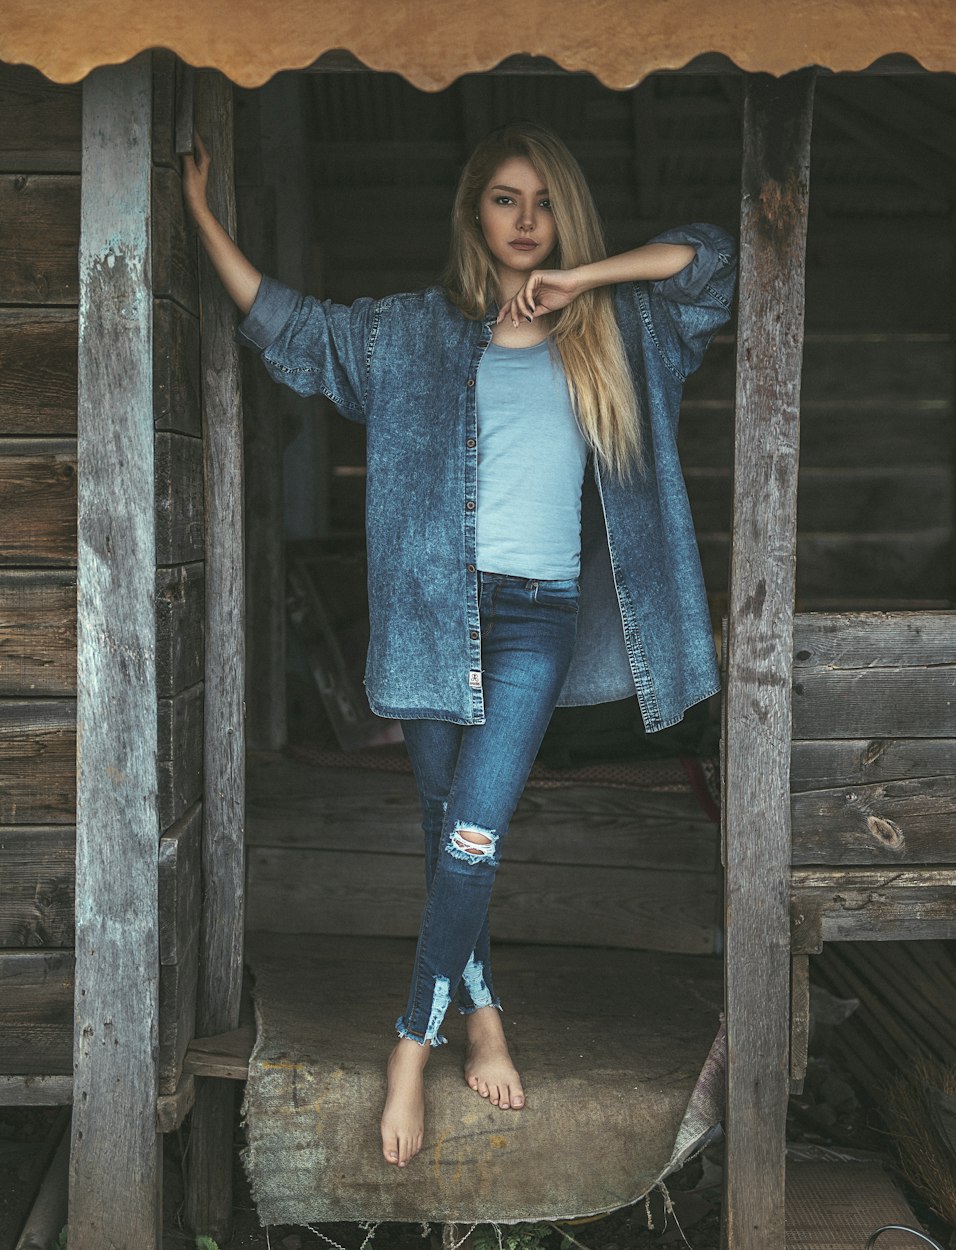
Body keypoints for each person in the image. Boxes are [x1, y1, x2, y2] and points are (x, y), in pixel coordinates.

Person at [182, 120, 736, 1172]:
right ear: (472, 213)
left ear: (562, 217)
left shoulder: (620, 326)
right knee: (447, 834)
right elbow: (286, 322)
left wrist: (582, 277)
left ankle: (408, 1040)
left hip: (539, 619)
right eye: (505, 201)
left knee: (474, 839)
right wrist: (201, 213)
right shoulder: (407, 333)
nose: (525, 221)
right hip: (435, 613)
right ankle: (482, 1015)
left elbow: (713, 259)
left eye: (542, 204)